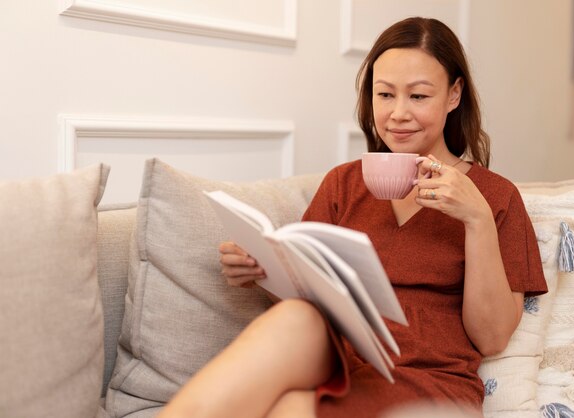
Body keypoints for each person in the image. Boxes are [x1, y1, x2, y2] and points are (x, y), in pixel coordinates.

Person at [158, 16, 547, 418]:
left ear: (454, 95)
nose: (397, 113)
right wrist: (260, 268)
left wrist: (476, 220)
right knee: (296, 317)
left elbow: (493, 337)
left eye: (418, 96)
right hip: (341, 361)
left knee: (289, 409)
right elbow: (308, 289)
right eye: (385, 94)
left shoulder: (496, 198)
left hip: (427, 381)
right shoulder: (344, 184)